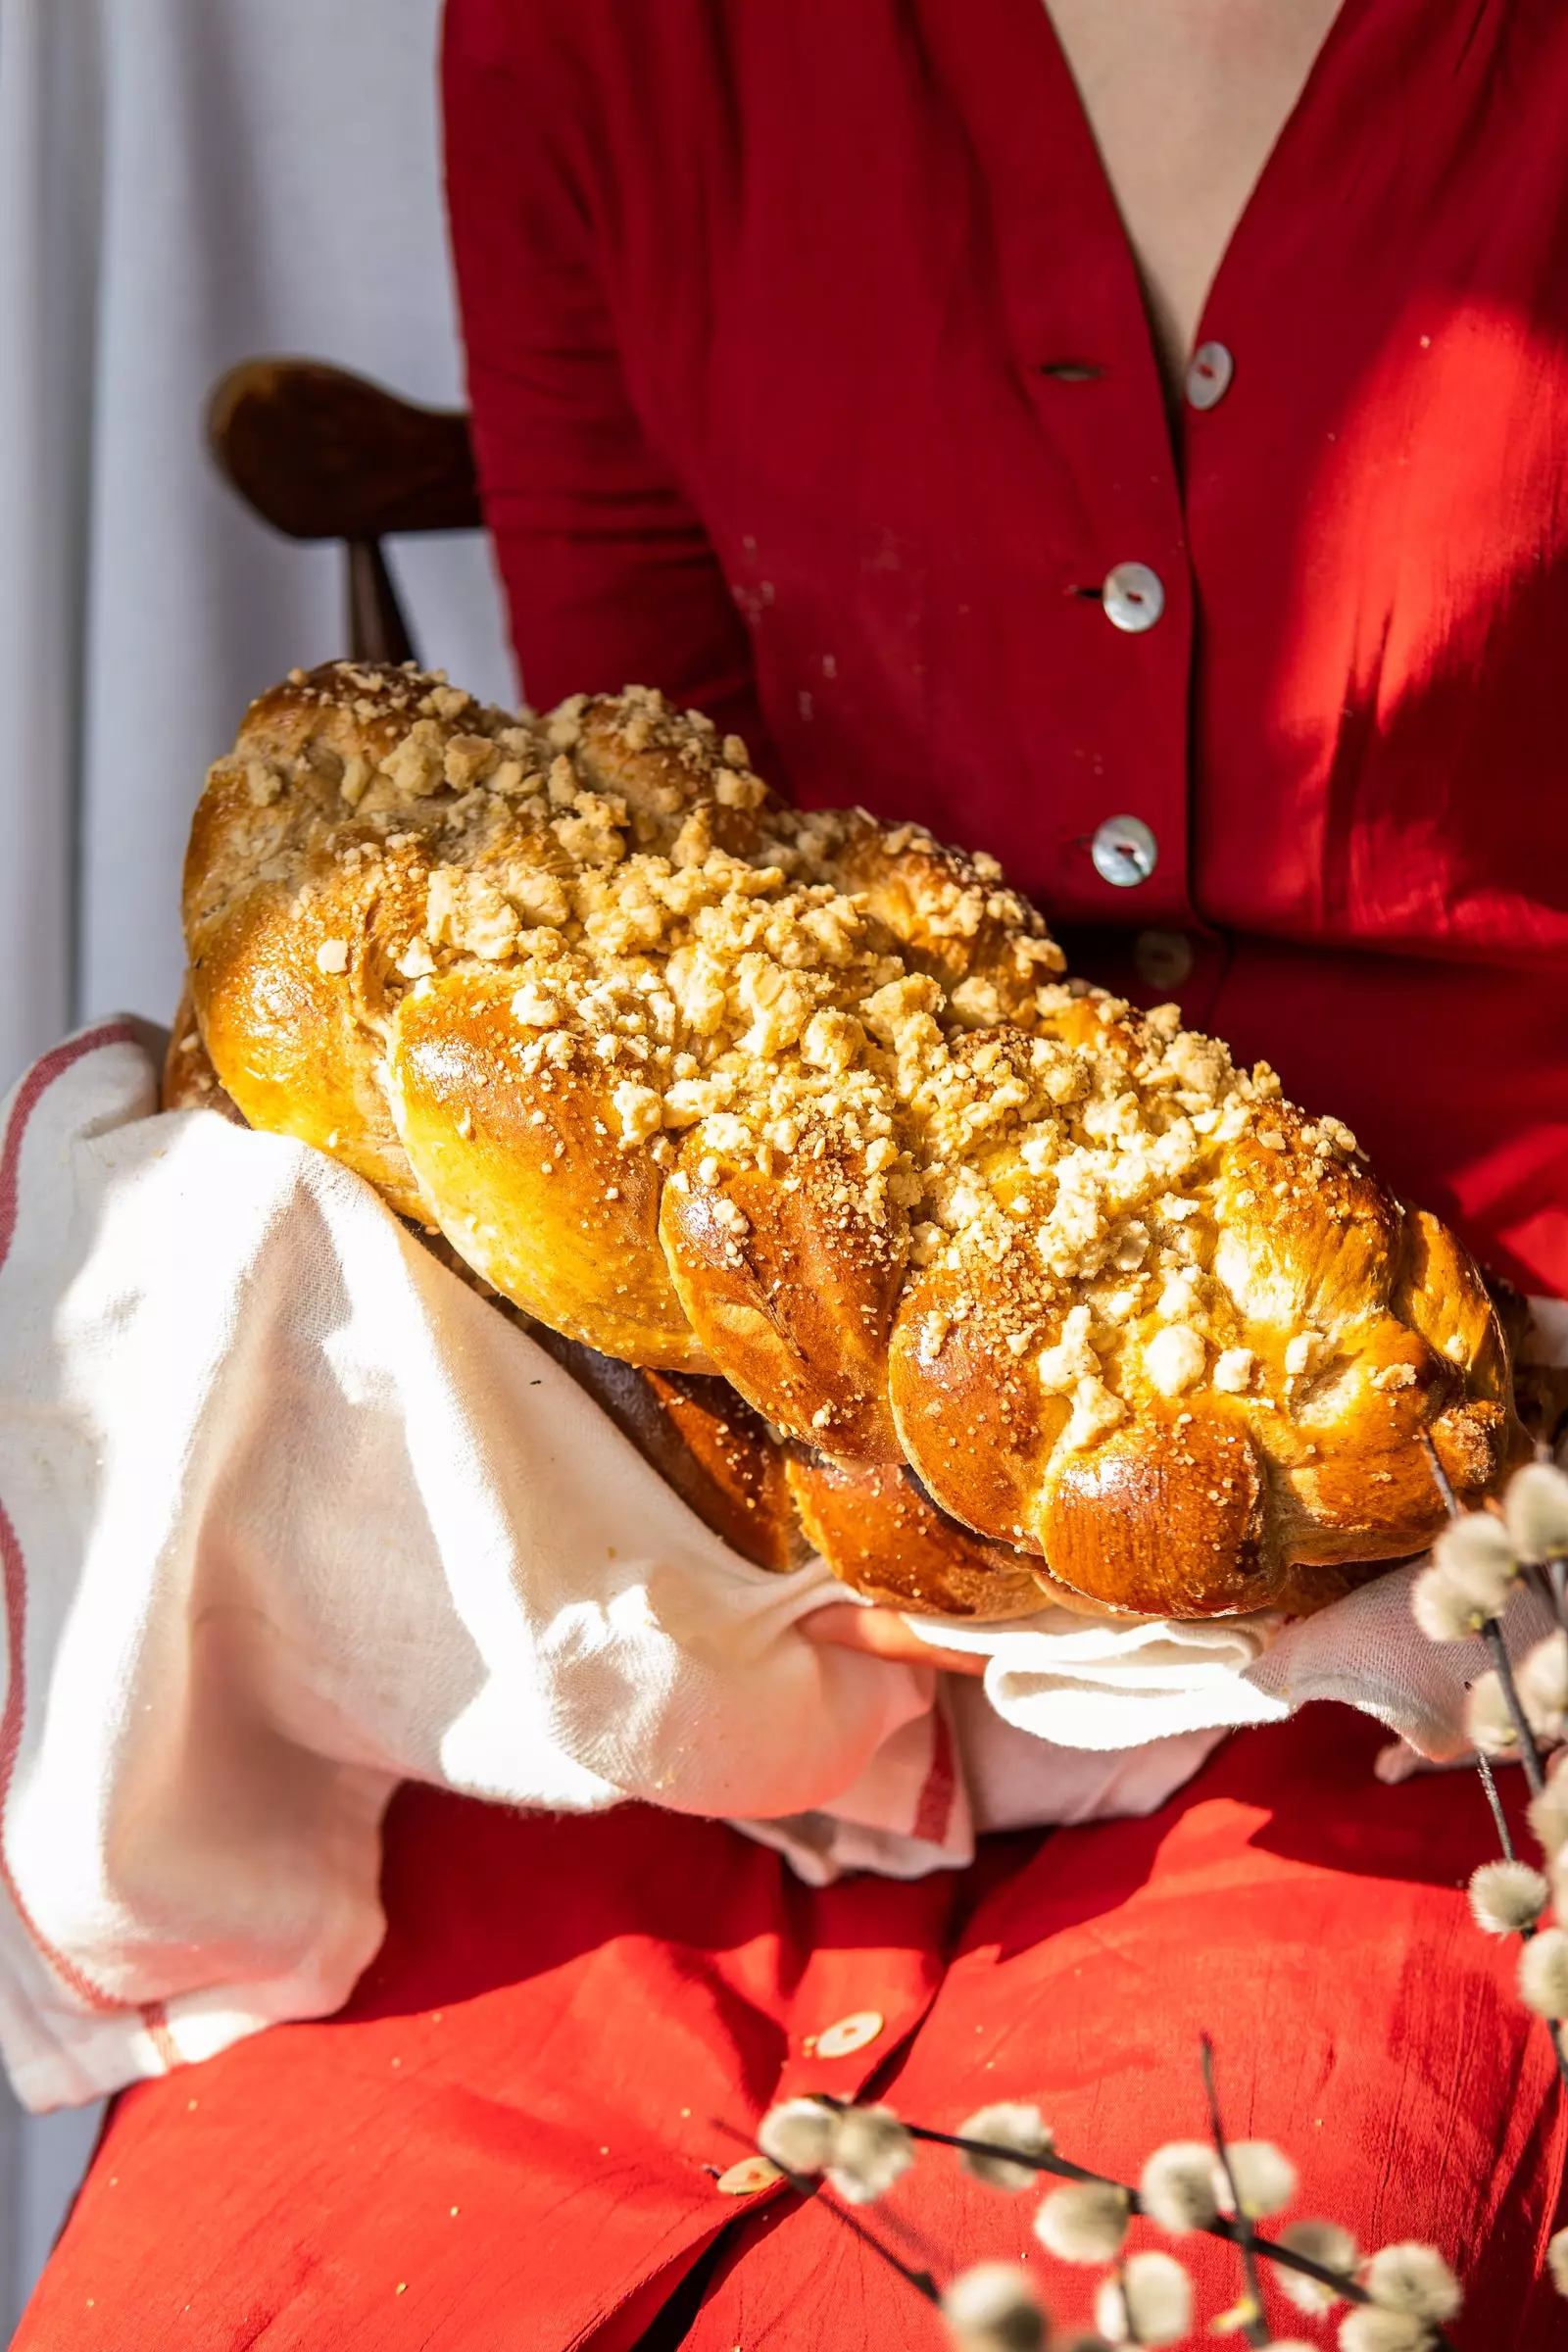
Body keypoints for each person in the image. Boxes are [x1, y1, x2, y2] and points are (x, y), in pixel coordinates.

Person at [16, 5, 1568, 2344]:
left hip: (1453, 1604)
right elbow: (665, 877)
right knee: (247, 2292)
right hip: (740, 1581)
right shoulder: (607, 41)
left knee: (1217, 2253)